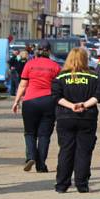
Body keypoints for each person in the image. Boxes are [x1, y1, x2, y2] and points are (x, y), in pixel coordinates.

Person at [52, 48, 100, 193]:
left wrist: (72, 106)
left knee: (66, 150)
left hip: (65, 116)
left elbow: (56, 96)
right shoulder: (93, 77)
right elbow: (99, 95)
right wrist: (84, 105)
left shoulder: (61, 77)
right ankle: (82, 184)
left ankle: (62, 184)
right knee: (84, 151)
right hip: (87, 116)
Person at [11, 40, 60, 173]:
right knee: (44, 135)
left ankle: (30, 157)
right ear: (49, 51)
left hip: (30, 101)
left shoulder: (30, 64)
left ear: (37, 50)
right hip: (48, 101)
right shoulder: (55, 66)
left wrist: (16, 101)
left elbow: (23, 85)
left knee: (30, 132)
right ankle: (41, 164)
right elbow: (58, 87)